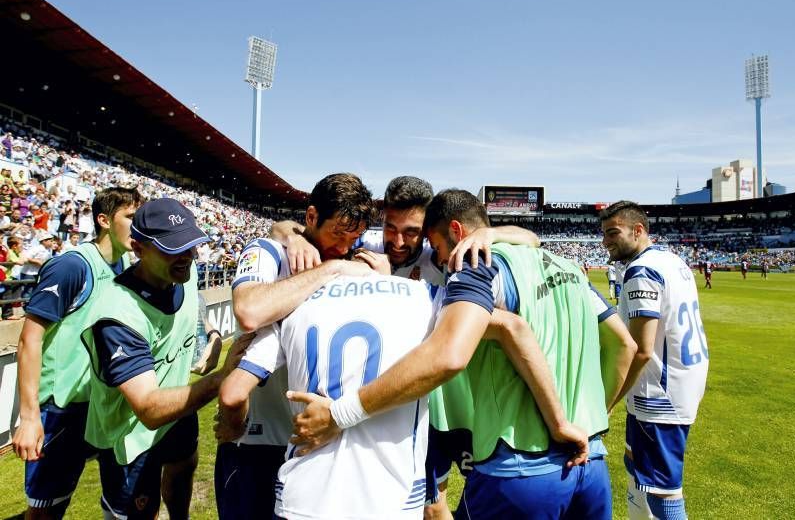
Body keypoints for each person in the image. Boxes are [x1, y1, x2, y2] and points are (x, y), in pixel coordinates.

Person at [289, 189, 613, 519]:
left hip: (474, 418)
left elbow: (468, 344)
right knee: (432, 503)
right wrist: (293, 236)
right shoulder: (367, 247)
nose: (399, 241)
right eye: (391, 228)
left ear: (449, 233)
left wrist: (490, 234)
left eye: (413, 233)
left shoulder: (466, 261)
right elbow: (624, 345)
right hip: (432, 408)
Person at [215, 173, 376, 520]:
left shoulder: (357, 258)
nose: (345, 247)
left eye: (354, 237)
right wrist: (329, 268)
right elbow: (248, 310)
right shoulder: (270, 251)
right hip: (256, 445)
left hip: (319, 441)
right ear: (313, 218)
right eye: (338, 234)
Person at [219, 272, 438, 518]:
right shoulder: (425, 296)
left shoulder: (295, 302)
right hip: (391, 500)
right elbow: (465, 338)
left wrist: (234, 425)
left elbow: (233, 394)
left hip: (303, 499)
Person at [79, 197, 247, 519]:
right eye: (173, 248)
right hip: (130, 437)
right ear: (138, 248)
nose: (187, 256)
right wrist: (223, 378)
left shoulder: (185, 270)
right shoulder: (118, 314)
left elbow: (192, 305)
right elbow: (149, 409)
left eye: (192, 245)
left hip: (179, 408)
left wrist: (210, 335)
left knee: (184, 469)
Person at [12, 187, 142, 519]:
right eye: (130, 216)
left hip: (106, 407)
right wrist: (28, 418)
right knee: (45, 510)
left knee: (126, 506)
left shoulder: (126, 265)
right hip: (62, 410)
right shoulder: (71, 266)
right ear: (103, 220)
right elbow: (30, 340)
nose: (138, 224)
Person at [600, 200, 709, 520]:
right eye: (604, 233)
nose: (607, 240)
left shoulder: (642, 270)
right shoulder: (673, 260)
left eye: (613, 232)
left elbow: (641, 348)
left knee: (663, 491)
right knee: (636, 464)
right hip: (683, 381)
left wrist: (609, 401)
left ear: (638, 230)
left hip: (660, 395)